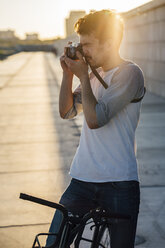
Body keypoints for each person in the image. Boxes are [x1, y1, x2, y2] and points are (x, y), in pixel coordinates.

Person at [46, 9, 145, 248]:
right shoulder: (92, 76)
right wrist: (68, 75)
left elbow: (95, 119)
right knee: (53, 244)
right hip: (82, 178)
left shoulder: (130, 74)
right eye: (80, 44)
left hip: (119, 182)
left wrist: (82, 78)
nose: (83, 51)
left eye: (87, 44)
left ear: (109, 42)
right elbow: (67, 112)